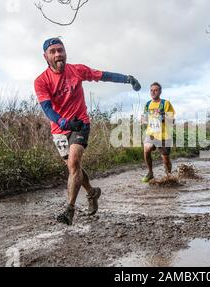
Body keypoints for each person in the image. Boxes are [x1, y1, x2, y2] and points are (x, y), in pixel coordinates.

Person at [34, 37, 141, 225]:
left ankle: (69, 210)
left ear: (65, 52)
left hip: (81, 123)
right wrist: (63, 123)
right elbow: (47, 108)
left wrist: (127, 79)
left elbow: (102, 75)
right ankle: (92, 193)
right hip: (60, 129)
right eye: (53, 51)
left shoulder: (77, 70)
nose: (58, 54)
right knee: (73, 168)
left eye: (61, 50)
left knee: (74, 162)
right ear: (46, 56)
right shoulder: (41, 81)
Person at [141, 82, 175, 183]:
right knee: (146, 149)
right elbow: (144, 119)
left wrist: (162, 115)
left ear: (160, 91)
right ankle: (150, 173)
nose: (153, 92)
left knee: (165, 158)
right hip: (151, 133)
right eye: (151, 90)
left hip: (164, 135)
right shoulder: (147, 104)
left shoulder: (165, 103)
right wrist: (144, 120)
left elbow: (172, 120)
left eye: (155, 90)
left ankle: (169, 175)